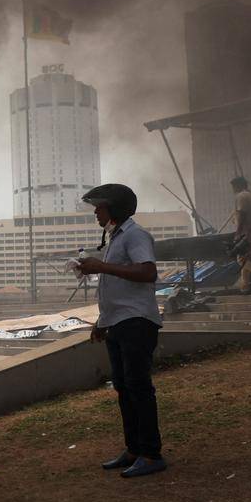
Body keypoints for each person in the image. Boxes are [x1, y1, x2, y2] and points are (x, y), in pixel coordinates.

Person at [76, 183, 167, 478]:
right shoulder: (115, 238)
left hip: (137, 322)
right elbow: (115, 288)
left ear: (114, 208)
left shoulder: (135, 235)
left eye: (99, 208)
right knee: (124, 388)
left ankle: (151, 454)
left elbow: (148, 272)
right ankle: (134, 449)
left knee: (138, 387)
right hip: (117, 322)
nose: (96, 213)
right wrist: (102, 323)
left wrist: (102, 267)